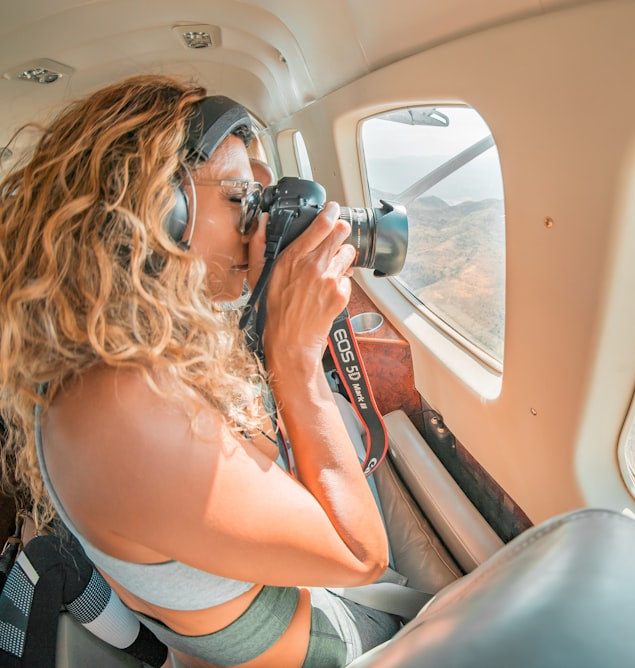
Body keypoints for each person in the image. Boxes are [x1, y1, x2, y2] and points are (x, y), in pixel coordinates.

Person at [0, 75, 401, 666]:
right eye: (240, 198)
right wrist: (295, 360)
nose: (257, 220)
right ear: (164, 211)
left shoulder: (112, 348)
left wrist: (269, 306)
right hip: (321, 640)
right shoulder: (120, 410)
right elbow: (361, 556)